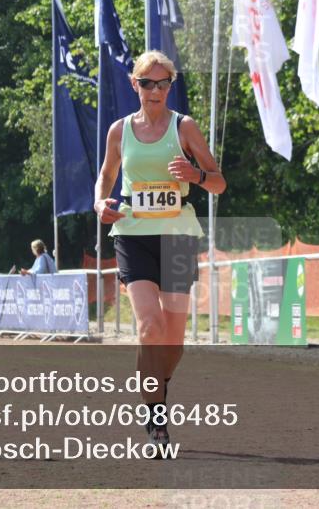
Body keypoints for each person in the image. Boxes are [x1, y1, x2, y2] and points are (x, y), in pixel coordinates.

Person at [94, 50, 225, 452]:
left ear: (170, 87)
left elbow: (219, 183)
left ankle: (155, 383)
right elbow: (106, 176)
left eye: (163, 83)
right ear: (135, 84)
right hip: (133, 233)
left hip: (178, 235)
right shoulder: (119, 130)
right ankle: (157, 421)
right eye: (147, 83)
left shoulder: (184, 127)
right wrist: (101, 204)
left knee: (173, 341)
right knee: (149, 326)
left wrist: (196, 175)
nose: (155, 90)